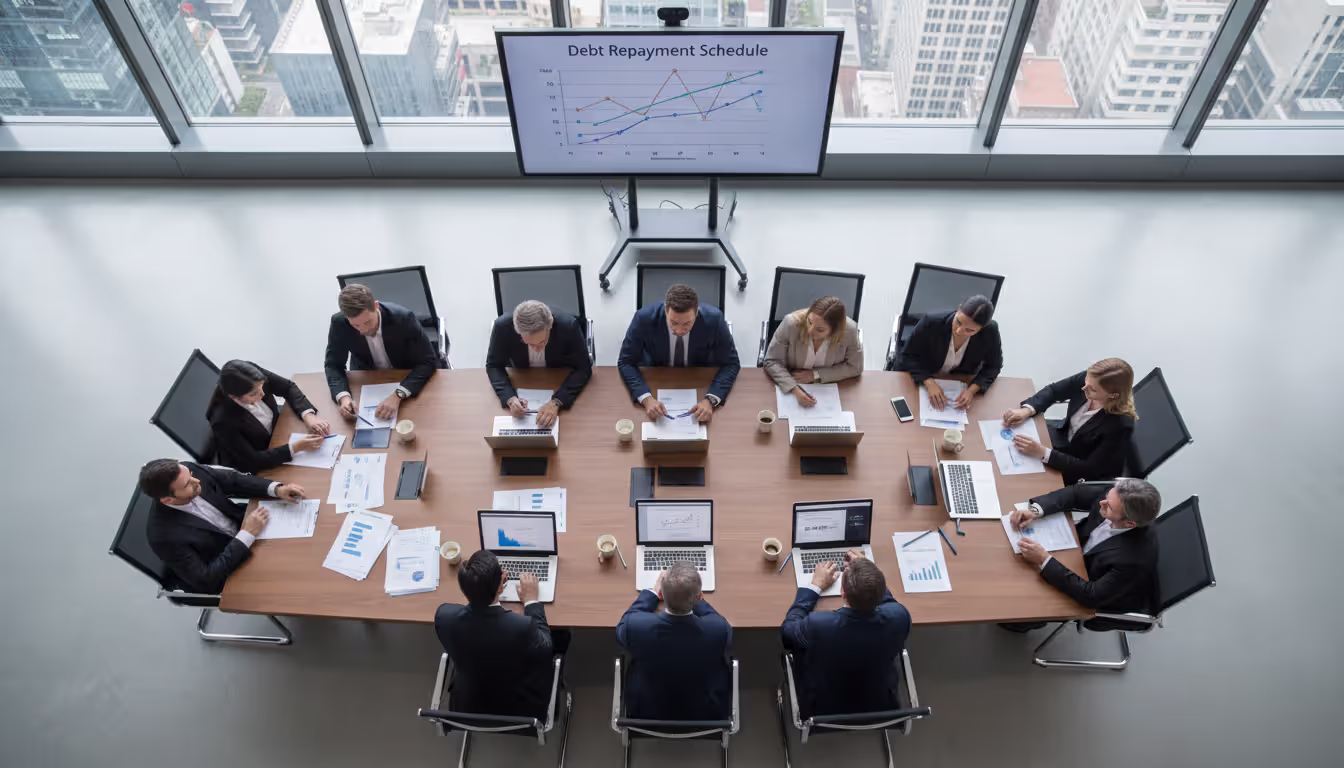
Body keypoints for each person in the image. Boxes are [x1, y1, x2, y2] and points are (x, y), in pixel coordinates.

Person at [1003, 478, 1161, 631]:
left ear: (1129, 524)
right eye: (1107, 497)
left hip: (1090, 583)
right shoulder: (1116, 496)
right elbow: (1075, 494)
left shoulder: (1134, 560)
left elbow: (1091, 596)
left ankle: (1026, 623)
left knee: (1016, 609)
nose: (1101, 502)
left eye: (1109, 507)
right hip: (1076, 551)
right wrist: (1036, 511)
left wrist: (1045, 560)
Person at [433, 550, 568, 719]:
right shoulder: (521, 627)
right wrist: (532, 602)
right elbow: (545, 646)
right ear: (499, 587)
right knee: (562, 635)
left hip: (468, 707)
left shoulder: (444, 617)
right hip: (521, 712)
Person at [140, 459, 306, 594]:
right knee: (299, 580)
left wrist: (276, 489)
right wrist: (246, 535)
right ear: (167, 500)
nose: (196, 480)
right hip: (233, 567)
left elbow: (232, 480)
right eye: (187, 485)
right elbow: (206, 580)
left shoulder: (187, 471)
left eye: (191, 475)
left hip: (249, 532)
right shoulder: (163, 537)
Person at [780, 550, 911, 718]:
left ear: (843, 592)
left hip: (823, 710)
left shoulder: (819, 626)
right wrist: (868, 572)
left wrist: (815, 587)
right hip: (880, 707)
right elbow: (889, 603)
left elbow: (787, 633)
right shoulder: (900, 618)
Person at [616, 562, 733, 721]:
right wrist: (691, 595)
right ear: (700, 597)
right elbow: (715, 619)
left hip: (646, 712)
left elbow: (624, 623)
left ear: (662, 595)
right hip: (706, 713)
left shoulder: (634, 628)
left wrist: (651, 593)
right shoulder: (719, 630)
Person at [617, 284, 740, 424]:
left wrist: (710, 400)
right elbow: (625, 362)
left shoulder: (714, 320)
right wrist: (646, 399)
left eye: (687, 323)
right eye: (673, 323)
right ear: (665, 310)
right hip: (658, 377)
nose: (680, 330)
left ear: (697, 312)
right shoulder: (643, 318)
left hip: (698, 380)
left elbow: (731, 363)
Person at [1003, 357, 1137, 485]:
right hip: (1062, 439)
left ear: (1113, 395)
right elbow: (1054, 391)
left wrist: (1043, 452)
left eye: (1093, 390)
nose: (1084, 388)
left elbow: (1090, 469)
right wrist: (1027, 410)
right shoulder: (1091, 380)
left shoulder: (1120, 425)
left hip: (1076, 467)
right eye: (1086, 383)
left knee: (1019, 480)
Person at [323, 283, 437, 421]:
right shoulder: (339, 323)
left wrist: (398, 394)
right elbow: (333, 364)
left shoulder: (403, 318)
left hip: (404, 377)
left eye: (367, 322)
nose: (363, 330)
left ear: (376, 306)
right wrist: (343, 397)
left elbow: (428, 361)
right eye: (355, 325)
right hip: (368, 379)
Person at [206, 360, 331, 473]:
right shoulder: (222, 420)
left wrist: (308, 416)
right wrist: (295, 447)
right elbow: (252, 460)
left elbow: (288, 387)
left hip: (278, 433)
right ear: (234, 397)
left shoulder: (252, 376)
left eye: (262, 386)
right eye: (253, 394)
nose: (262, 393)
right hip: (261, 459)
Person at [485, 300, 593, 428]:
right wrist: (510, 398)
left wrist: (557, 401)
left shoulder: (568, 326)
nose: (537, 349)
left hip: (557, 378)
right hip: (523, 378)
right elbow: (493, 365)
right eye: (530, 344)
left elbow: (584, 367)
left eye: (542, 342)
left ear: (550, 327)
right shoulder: (502, 327)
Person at [896, 295, 1002, 410]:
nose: (959, 331)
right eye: (958, 322)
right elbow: (907, 355)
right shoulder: (932, 322)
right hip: (923, 378)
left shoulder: (990, 331)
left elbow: (993, 366)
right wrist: (928, 381)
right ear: (958, 309)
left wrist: (972, 390)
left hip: (958, 381)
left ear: (982, 328)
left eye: (969, 330)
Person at [763, 295, 864, 408]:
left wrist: (815, 375)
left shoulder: (849, 331)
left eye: (820, 329)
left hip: (828, 391)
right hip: (791, 384)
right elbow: (771, 360)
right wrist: (794, 389)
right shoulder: (790, 324)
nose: (809, 331)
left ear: (835, 331)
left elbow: (855, 367)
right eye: (810, 322)